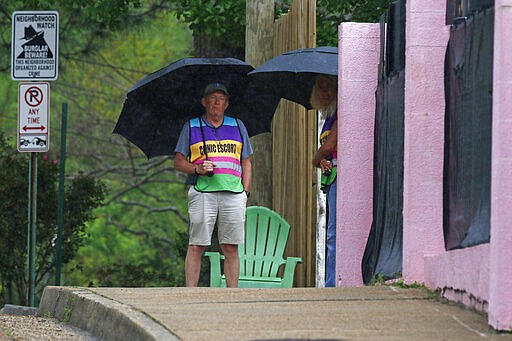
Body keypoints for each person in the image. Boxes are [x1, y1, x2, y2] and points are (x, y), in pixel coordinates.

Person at [174, 82, 252, 288]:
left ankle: (232, 295)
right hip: (203, 192)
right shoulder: (192, 126)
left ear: (226, 104)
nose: (216, 102)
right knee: (197, 244)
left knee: (230, 246)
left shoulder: (238, 125)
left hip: (234, 193)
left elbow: (246, 161)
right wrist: (197, 169)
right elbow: (178, 162)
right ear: (204, 102)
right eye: (212, 98)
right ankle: (191, 293)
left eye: (221, 98)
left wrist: (245, 192)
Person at [311, 75, 338, 287]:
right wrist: (323, 162)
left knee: (333, 234)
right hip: (332, 177)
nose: (326, 92)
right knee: (332, 232)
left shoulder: (341, 111)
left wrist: (316, 159)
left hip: (343, 179)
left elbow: (329, 146)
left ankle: (331, 285)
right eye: (321, 87)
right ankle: (331, 281)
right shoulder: (327, 115)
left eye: (330, 87)